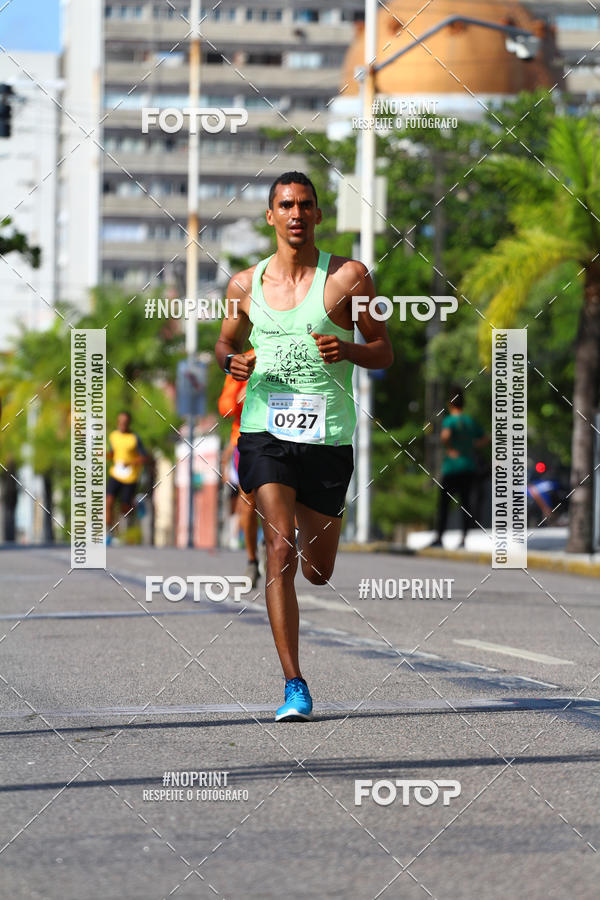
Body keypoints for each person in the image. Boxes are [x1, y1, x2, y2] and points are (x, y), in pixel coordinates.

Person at [215, 171, 393, 721]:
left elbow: (384, 351)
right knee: (278, 546)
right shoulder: (243, 284)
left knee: (317, 569)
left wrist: (348, 349)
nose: (296, 213)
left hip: (327, 439)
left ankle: (310, 573)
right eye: (285, 205)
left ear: (318, 215)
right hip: (264, 430)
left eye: (306, 205)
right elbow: (225, 338)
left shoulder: (351, 278)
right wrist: (231, 360)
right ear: (271, 217)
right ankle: (294, 683)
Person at [218, 351, 261, 587]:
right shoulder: (245, 360)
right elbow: (225, 408)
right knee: (249, 501)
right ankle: (252, 560)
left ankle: (278, 546)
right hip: (245, 440)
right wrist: (241, 394)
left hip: (287, 437)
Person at [430, 386, 489, 548]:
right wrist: (471, 445)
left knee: (444, 504)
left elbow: (445, 436)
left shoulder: (450, 420)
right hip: (468, 467)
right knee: (466, 504)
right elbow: (485, 438)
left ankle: (439, 537)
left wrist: (450, 448)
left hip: (452, 468)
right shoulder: (470, 421)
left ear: (450, 403)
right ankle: (463, 538)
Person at [106, 411, 148, 544]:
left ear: (128, 423)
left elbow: (144, 457)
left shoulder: (134, 438)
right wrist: (105, 455)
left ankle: (136, 505)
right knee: (109, 502)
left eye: (125, 422)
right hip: (115, 474)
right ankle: (108, 532)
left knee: (125, 508)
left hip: (130, 477)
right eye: (120, 422)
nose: (122, 424)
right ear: (118, 422)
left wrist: (130, 463)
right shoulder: (113, 436)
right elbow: (112, 453)